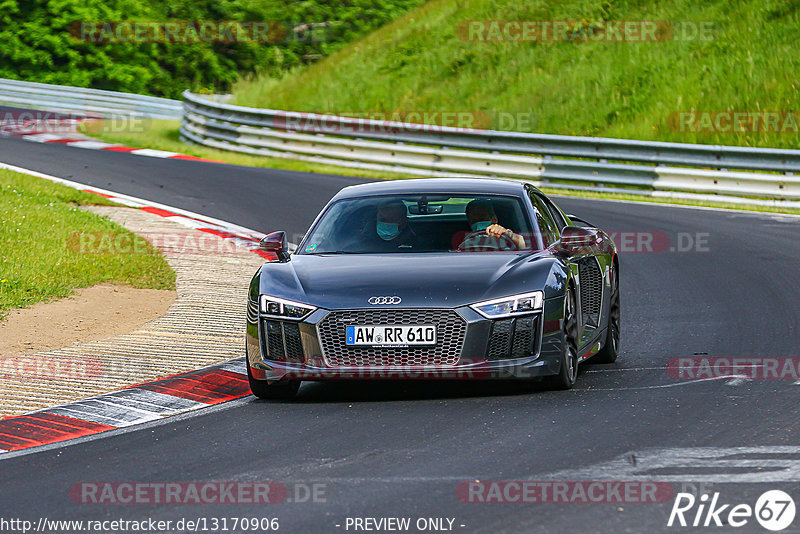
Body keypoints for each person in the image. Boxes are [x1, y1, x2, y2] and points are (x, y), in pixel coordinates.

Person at [458, 199, 526, 251]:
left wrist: (507, 233)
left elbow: (528, 246)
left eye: (482, 218)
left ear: (494, 219)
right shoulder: (463, 240)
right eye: (473, 221)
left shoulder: (510, 235)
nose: (478, 223)